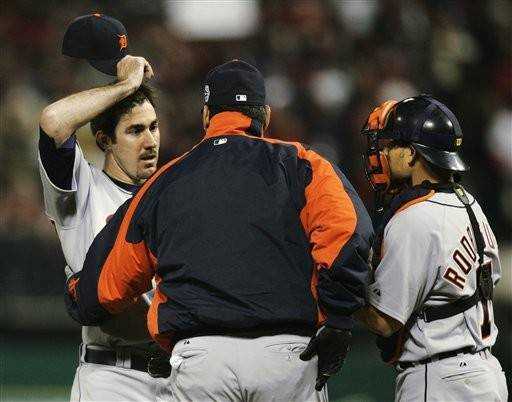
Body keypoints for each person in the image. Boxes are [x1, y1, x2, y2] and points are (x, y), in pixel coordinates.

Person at [64, 59, 374, 401]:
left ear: (206, 117)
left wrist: (81, 295)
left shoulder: (166, 181)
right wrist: (338, 316)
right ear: (266, 116)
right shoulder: (303, 165)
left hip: (201, 359)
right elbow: (347, 234)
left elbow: (108, 281)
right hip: (287, 355)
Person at [39, 14, 170, 402]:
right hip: (112, 377)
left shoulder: (171, 194)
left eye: (154, 127)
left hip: (177, 375)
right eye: (135, 130)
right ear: (104, 140)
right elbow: (53, 121)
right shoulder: (82, 189)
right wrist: (126, 84)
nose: (150, 141)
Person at [355, 95, 508, 401]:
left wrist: (338, 292)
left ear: (412, 154)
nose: (382, 152)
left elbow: (384, 322)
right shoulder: (468, 202)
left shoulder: (414, 217)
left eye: (390, 145)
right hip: (486, 375)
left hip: (440, 379)